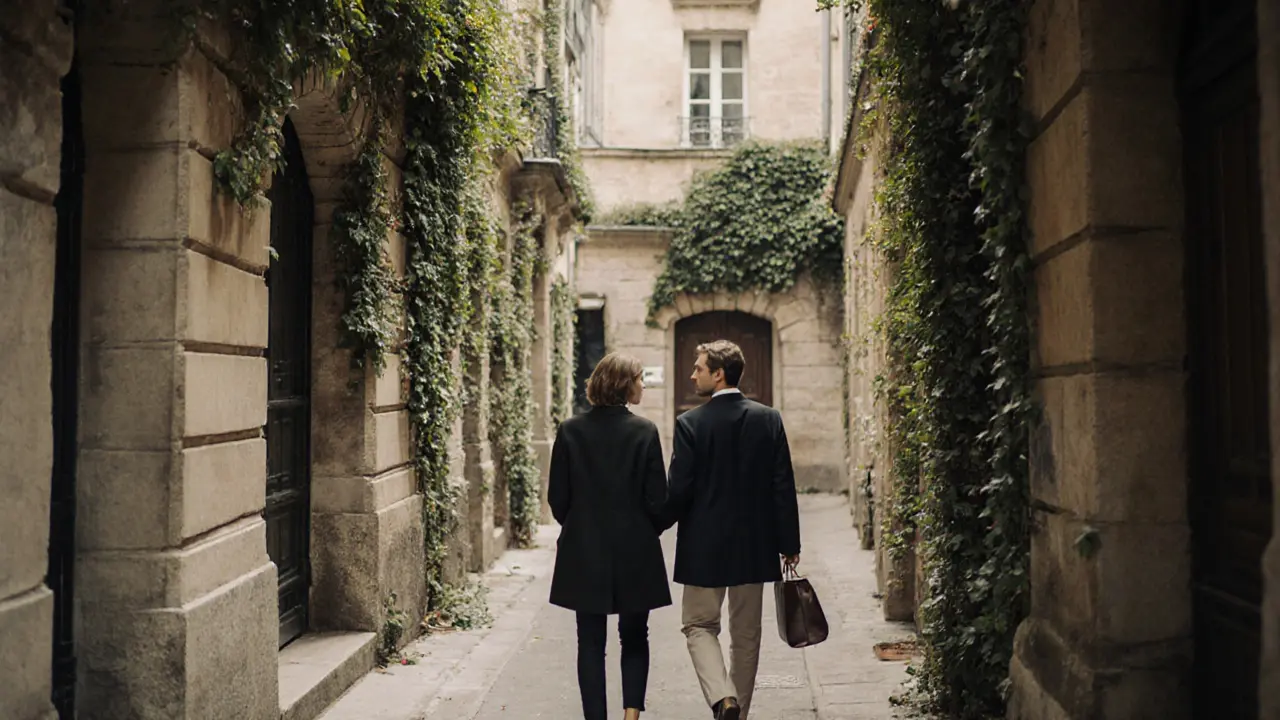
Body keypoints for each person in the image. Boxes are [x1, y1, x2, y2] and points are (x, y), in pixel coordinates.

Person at [661, 339, 801, 720]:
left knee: (698, 626)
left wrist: (651, 525)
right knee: (746, 636)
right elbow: (782, 485)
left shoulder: (690, 424)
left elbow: (679, 491)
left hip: (703, 547)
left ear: (718, 374)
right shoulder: (768, 419)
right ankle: (738, 712)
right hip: (754, 547)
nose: (693, 374)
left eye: (699, 368)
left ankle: (724, 698)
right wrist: (789, 543)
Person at [548, 352, 671, 720]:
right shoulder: (645, 431)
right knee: (635, 636)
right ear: (624, 384)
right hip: (636, 549)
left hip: (584, 550)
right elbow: (658, 500)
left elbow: (558, 498)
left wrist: (580, 525)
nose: (643, 384)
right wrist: (650, 528)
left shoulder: (570, 430)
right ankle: (631, 716)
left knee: (590, 642)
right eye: (638, 378)